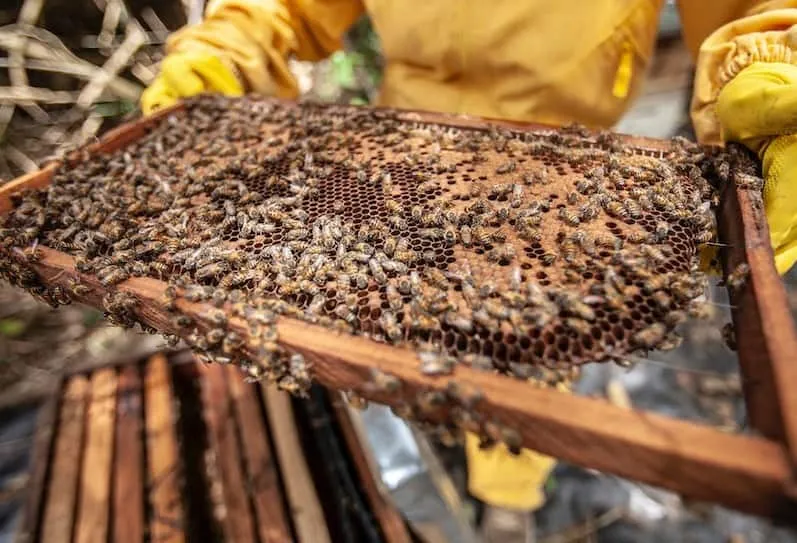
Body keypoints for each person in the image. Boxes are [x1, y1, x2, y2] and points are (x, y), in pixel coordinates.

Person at [140, 0, 797, 537]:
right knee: (392, 313)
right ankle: (424, 414)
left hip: (558, 170)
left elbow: (752, 7)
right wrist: (229, 45)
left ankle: (507, 494)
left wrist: (770, 58)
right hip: (402, 155)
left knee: (532, 350)